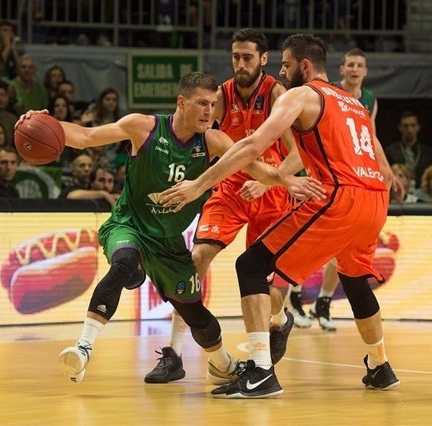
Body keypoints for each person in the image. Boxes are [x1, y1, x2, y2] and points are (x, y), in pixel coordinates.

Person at [160, 33, 400, 398]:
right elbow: (377, 156)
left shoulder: (301, 94)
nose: (283, 73)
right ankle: (380, 365)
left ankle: (260, 372)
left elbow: (253, 145)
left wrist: (197, 186)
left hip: (337, 196)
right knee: (353, 280)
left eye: (287, 66)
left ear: (305, 66)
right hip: (375, 200)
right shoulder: (353, 103)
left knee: (251, 266)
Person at [17, 72, 263, 386]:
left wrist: (285, 178)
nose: (209, 111)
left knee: (193, 311)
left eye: (213, 104)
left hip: (167, 240)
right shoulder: (143, 127)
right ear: (181, 102)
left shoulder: (213, 142)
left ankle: (222, 364)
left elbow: (253, 163)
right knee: (124, 262)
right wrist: (41, 122)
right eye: (202, 103)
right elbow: (84, 137)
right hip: (129, 223)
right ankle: (83, 348)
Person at [146, 28, 303, 383]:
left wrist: (267, 180)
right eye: (235, 56)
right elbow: (202, 139)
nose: (240, 63)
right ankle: (174, 353)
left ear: (264, 59)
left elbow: (298, 155)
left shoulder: (279, 94)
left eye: (248, 57)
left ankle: (280, 321)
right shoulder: (220, 95)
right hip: (231, 187)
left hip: (271, 189)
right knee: (195, 259)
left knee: (267, 289)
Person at [296, 47, 381, 332]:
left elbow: (370, 139)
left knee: (341, 249)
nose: (355, 69)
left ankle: (323, 301)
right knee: (309, 242)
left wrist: (386, 171)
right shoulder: (327, 93)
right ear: (341, 70)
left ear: (365, 71)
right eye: (350, 65)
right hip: (322, 174)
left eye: (360, 65)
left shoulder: (368, 100)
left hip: (354, 180)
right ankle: (294, 296)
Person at [384, 111, 432, 190]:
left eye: (413, 125)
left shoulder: (427, 152)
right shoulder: (390, 151)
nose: (409, 130)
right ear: (400, 128)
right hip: (397, 192)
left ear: (418, 127)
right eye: (406, 126)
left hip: (423, 194)